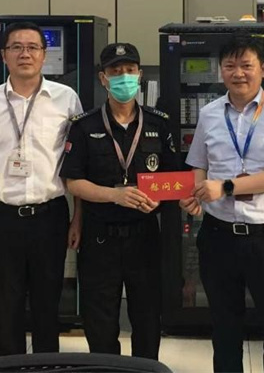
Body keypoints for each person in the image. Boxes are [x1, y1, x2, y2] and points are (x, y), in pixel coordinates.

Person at [180, 34, 264, 373]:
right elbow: (199, 164)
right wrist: (194, 194)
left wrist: (226, 187)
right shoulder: (209, 113)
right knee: (223, 322)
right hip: (218, 235)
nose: (238, 73)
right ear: (221, 71)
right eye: (230, 66)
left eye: (246, 65)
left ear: (262, 69)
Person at [0, 21, 82, 356]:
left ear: (44, 55)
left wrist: (78, 218)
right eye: (16, 47)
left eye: (32, 47)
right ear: (4, 55)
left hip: (49, 216)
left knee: (47, 306)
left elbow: (78, 165)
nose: (25, 54)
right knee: (6, 308)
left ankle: (46, 365)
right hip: (0, 218)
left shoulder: (66, 99)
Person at [61, 42, 179, 359]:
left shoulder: (158, 123)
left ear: (139, 76)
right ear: (103, 78)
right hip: (100, 239)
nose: (123, 77)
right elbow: (73, 182)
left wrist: (159, 199)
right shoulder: (84, 126)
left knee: (147, 318)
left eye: (129, 70)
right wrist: (114, 194)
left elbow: (173, 177)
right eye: (115, 71)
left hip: (144, 237)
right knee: (100, 322)